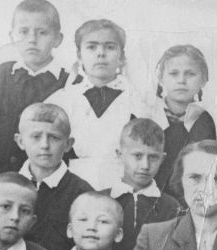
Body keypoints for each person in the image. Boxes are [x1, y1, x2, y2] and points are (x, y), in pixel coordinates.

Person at [0, 0, 68, 186]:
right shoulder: (0, 75)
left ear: (57, 39)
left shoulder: (68, 82)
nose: (32, 39)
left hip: (45, 184)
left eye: (42, 32)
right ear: (12, 36)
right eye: (23, 32)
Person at [46, 19, 147, 189]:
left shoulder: (138, 101)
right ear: (79, 55)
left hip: (124, 185)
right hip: (71, 186)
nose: (101, 53)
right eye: (92, 47)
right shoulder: (62, 100)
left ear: (121, 56)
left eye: (110, 47)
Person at [101, 117, 181, 250]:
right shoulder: (100, 200)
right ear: (120, 154)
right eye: (137, 156)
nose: (145, 165)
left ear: (163, 158)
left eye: (153, 157)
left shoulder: (170, 207)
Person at [16, 102, 93, 250]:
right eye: (36, 137)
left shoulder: (83, 194)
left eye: (54, 138)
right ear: (20, 142)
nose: (44, 145)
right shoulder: (6, 186)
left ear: (68, 144)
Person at [151, 45, 216, 198]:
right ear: (161, 79)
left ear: (203, 80)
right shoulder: (149, 116)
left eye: (190, 74)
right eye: (174, 73)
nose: (181, 80)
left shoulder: (205, 120)